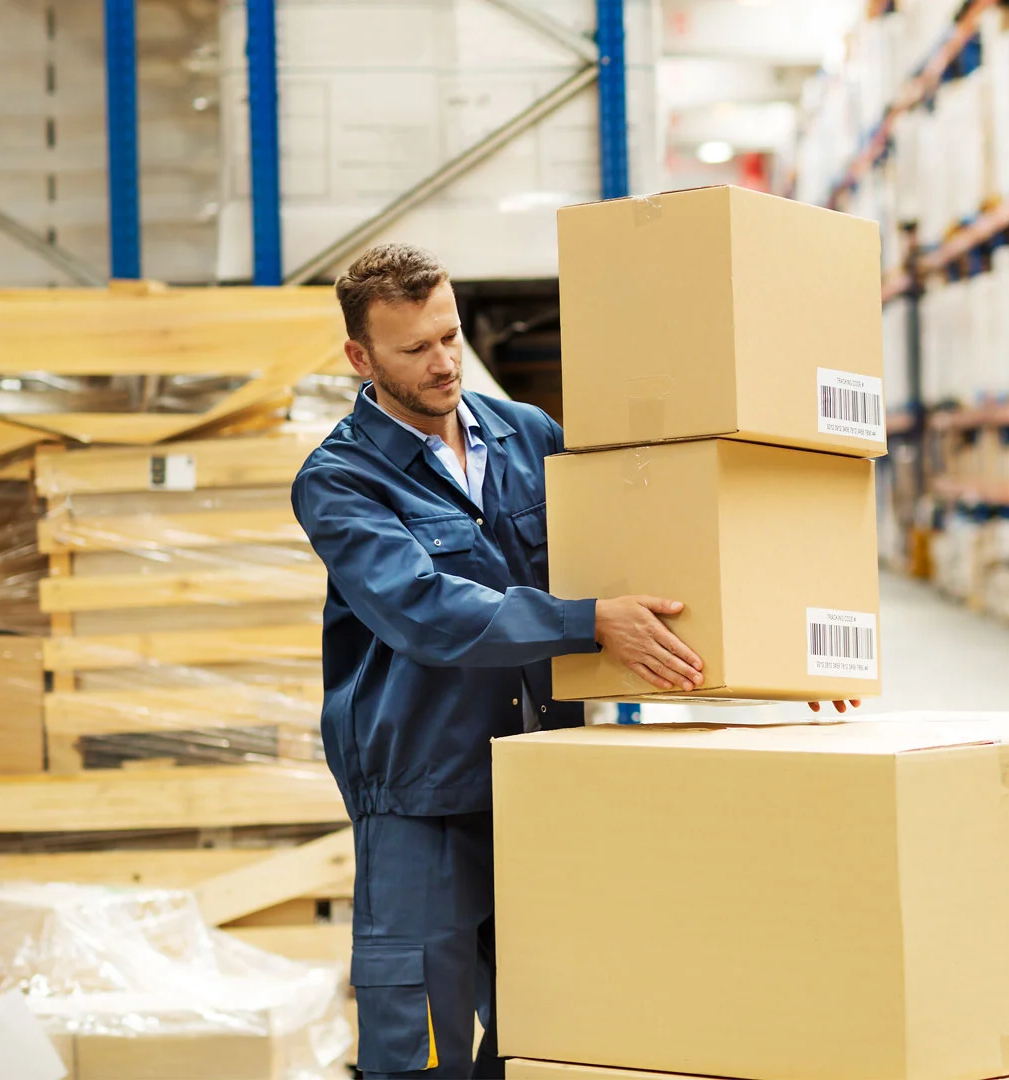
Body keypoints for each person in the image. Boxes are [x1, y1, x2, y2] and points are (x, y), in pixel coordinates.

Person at [293, 244, 855, 1078]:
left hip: (549, 781)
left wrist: (776, 664)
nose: (444, 362)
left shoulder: (528, 435)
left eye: (448, 336)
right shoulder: (341, 479)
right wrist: (587, 622)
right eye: (415, 349)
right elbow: (421, 608)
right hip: (423, 799)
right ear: (360, 357)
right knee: (422, 1046)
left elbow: (647, 557)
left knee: (553, 1032)